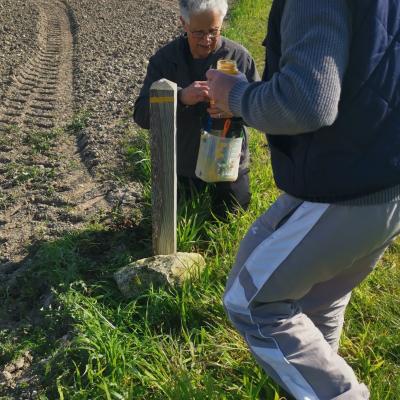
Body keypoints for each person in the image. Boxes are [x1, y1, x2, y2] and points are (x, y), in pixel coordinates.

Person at [207, 0, 400, 399]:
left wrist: (235, 95)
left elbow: (305, 103)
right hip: (385, 179)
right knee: (321, 297)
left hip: (343, 184)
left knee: (251, 302)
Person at [134, 0, 259, 218]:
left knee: (233, 217)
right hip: (183, 166)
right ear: (184, 23)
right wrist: (181, 97)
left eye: (214, 31)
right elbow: (142, 115)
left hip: (229, 164)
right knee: (180, 218)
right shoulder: (165, 61)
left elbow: (260, 112)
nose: (207, 40)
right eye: (198, 33)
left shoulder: (239, 58)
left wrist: (236, 107)